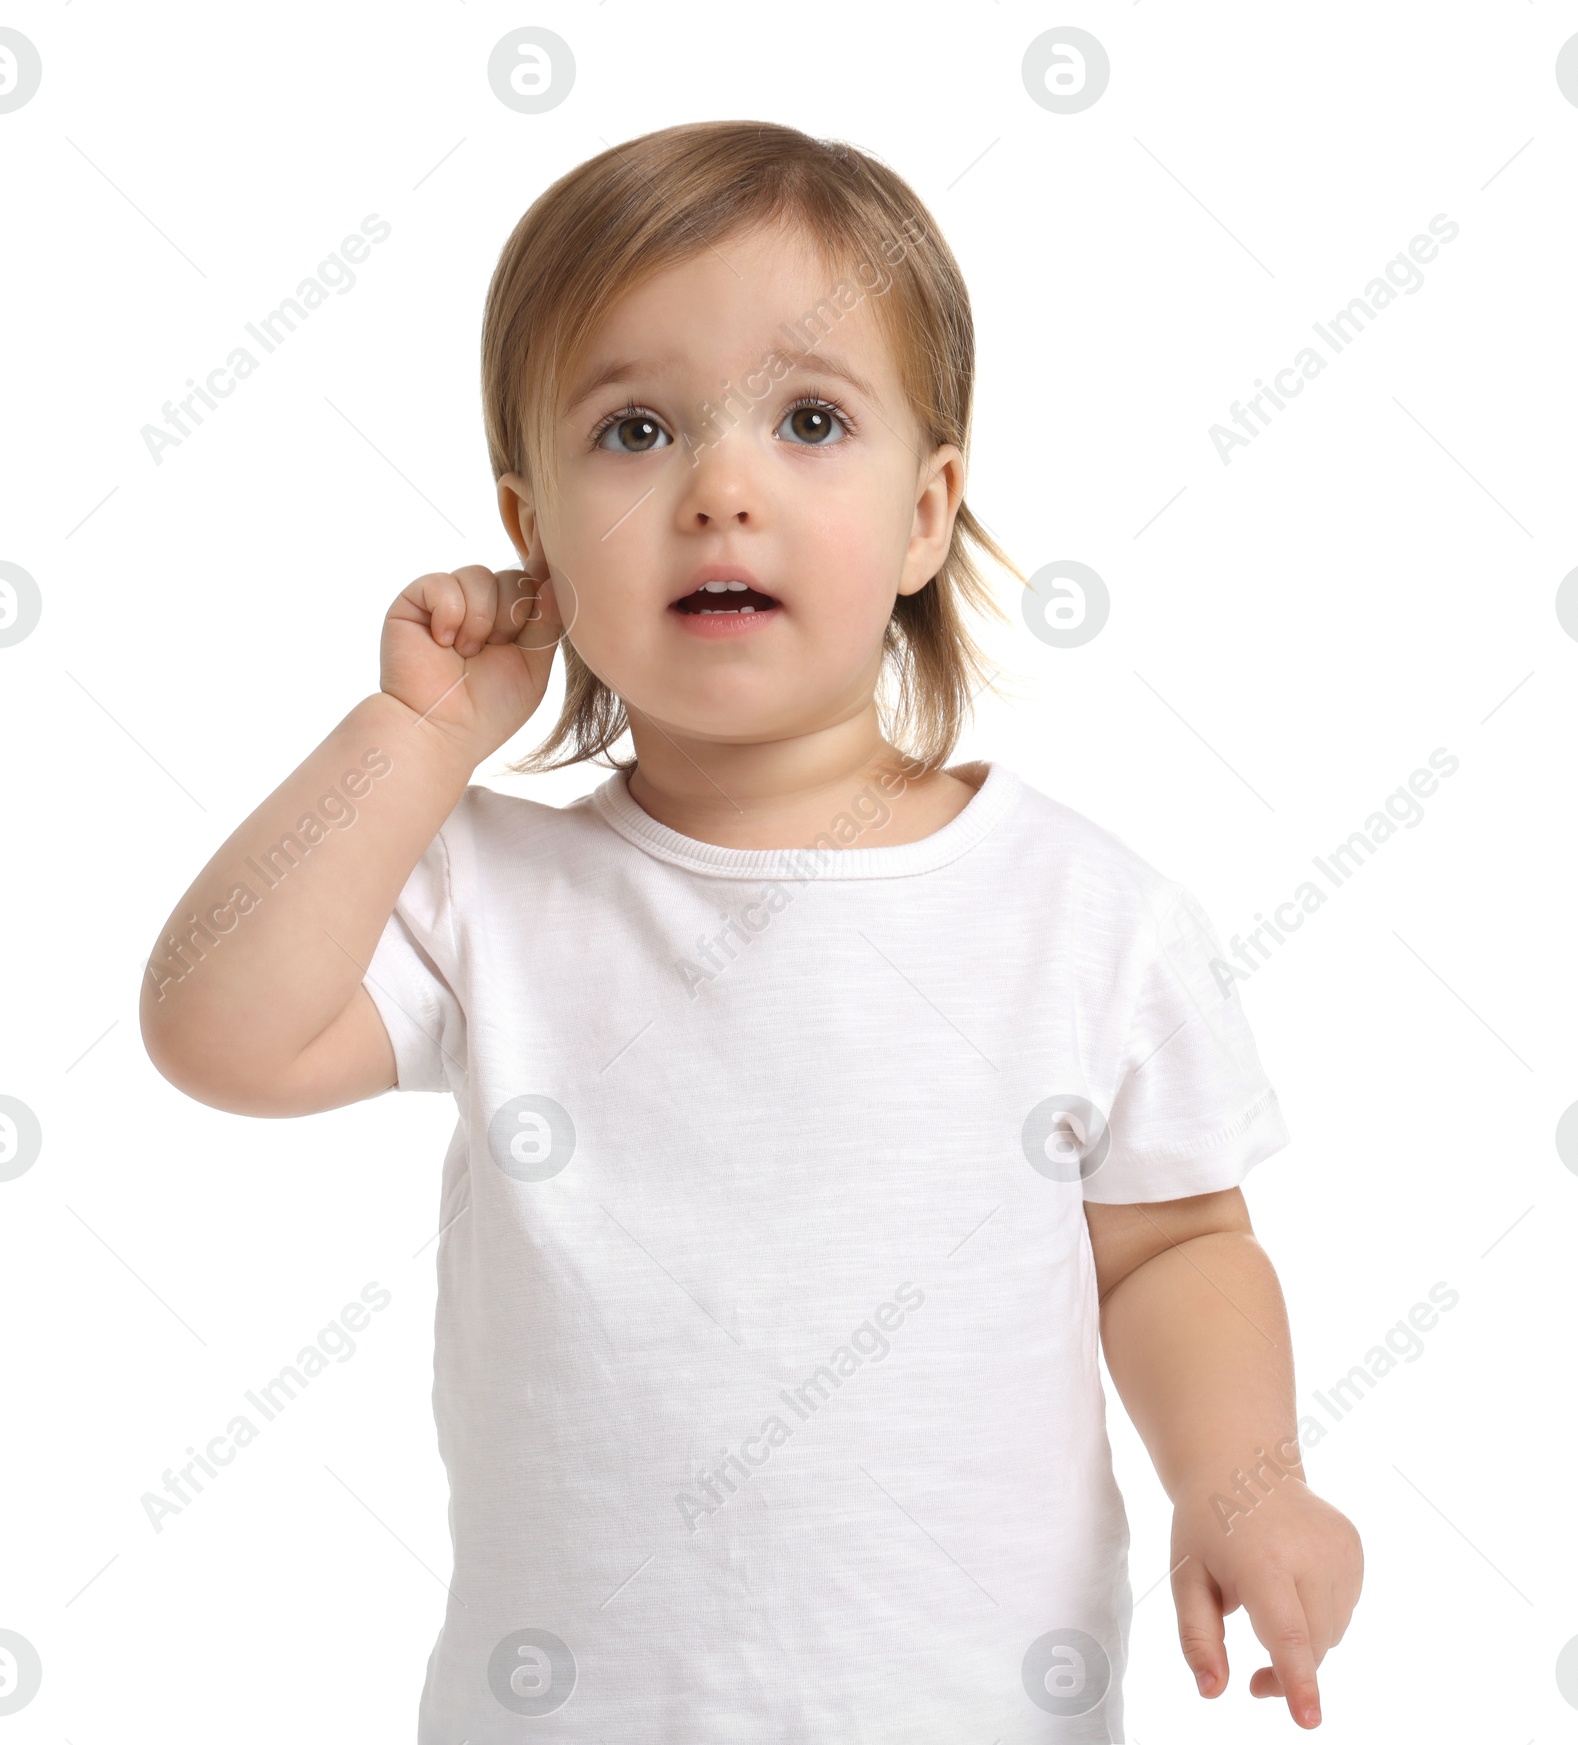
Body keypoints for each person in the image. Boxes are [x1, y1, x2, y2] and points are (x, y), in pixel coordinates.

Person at [140, 119, 1361, 1743]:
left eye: (808, 420)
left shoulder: (1082, 915)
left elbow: (1176, 1246)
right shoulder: (486, 891)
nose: (722, 488)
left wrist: (1243, 1479)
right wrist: (413, 736)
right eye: (636, 428)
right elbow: (218, 1028)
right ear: (537, 537)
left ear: (927, 515)